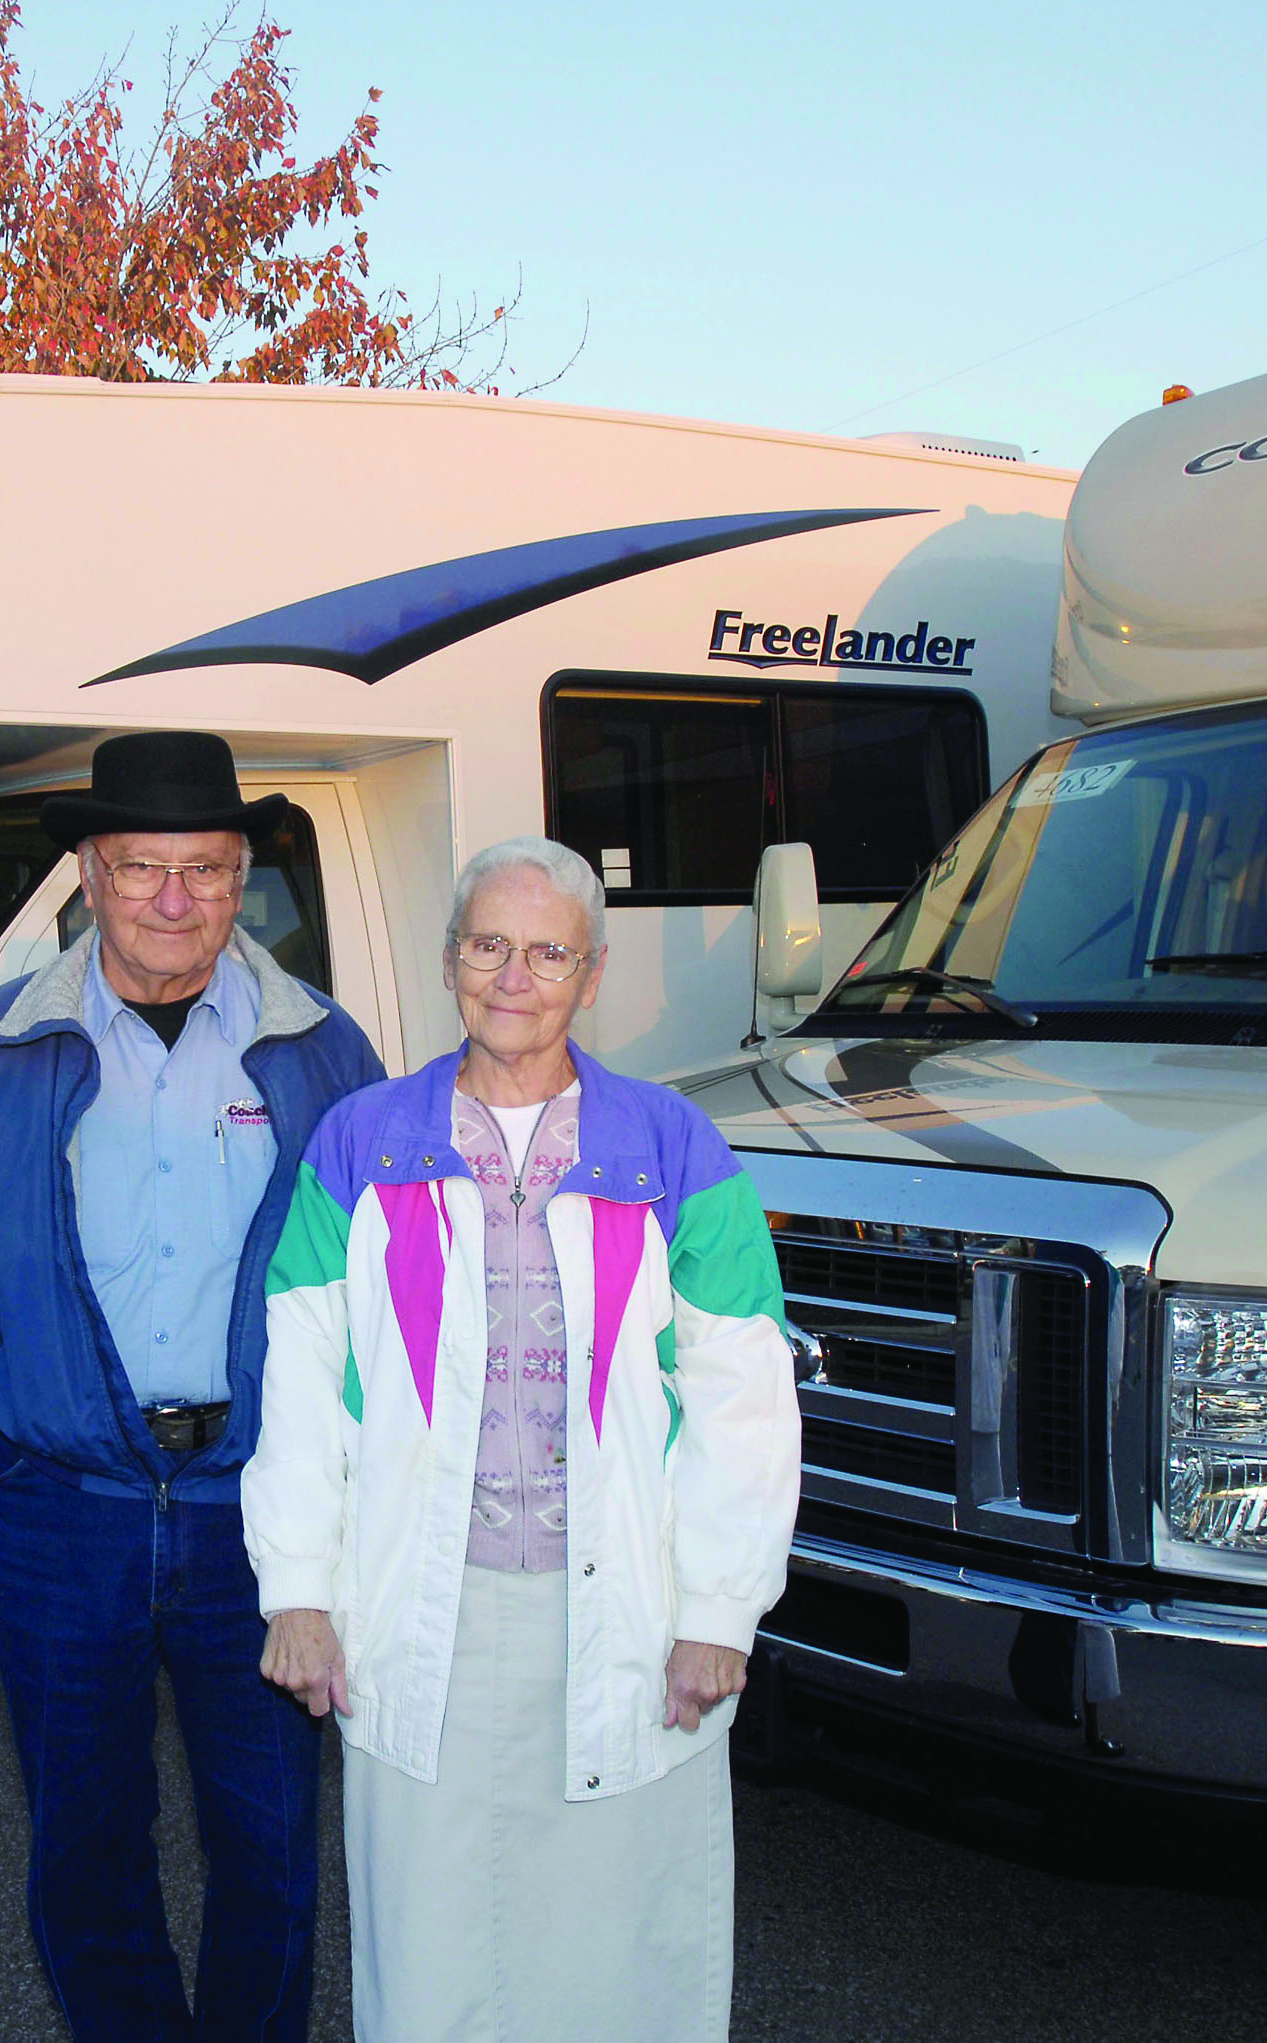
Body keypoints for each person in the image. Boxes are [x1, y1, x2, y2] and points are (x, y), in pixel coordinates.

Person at [245, 835, 801, 2042]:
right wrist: (297, 1591)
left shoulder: (672, 1148)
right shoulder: (360, 1140)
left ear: (590, 975)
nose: (515, 975)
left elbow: (743, 1395)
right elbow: (297, 1381)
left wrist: (720, 1611)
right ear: (450, 961)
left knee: (617, 1942)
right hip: (421, 1600)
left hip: (621, 1608)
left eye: (548, 950)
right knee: (434, 1939)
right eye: (489, 944)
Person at [0, 731, 387, 2043]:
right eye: (143, 867)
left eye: (205, 869)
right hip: (58, 1508)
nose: (175, 898)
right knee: (85, 1843)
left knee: (272, 1844)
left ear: (242, 881)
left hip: (257, 1513)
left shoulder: (323, 1052)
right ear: (92, 875)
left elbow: (391, 1261)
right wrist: (9, 1381)